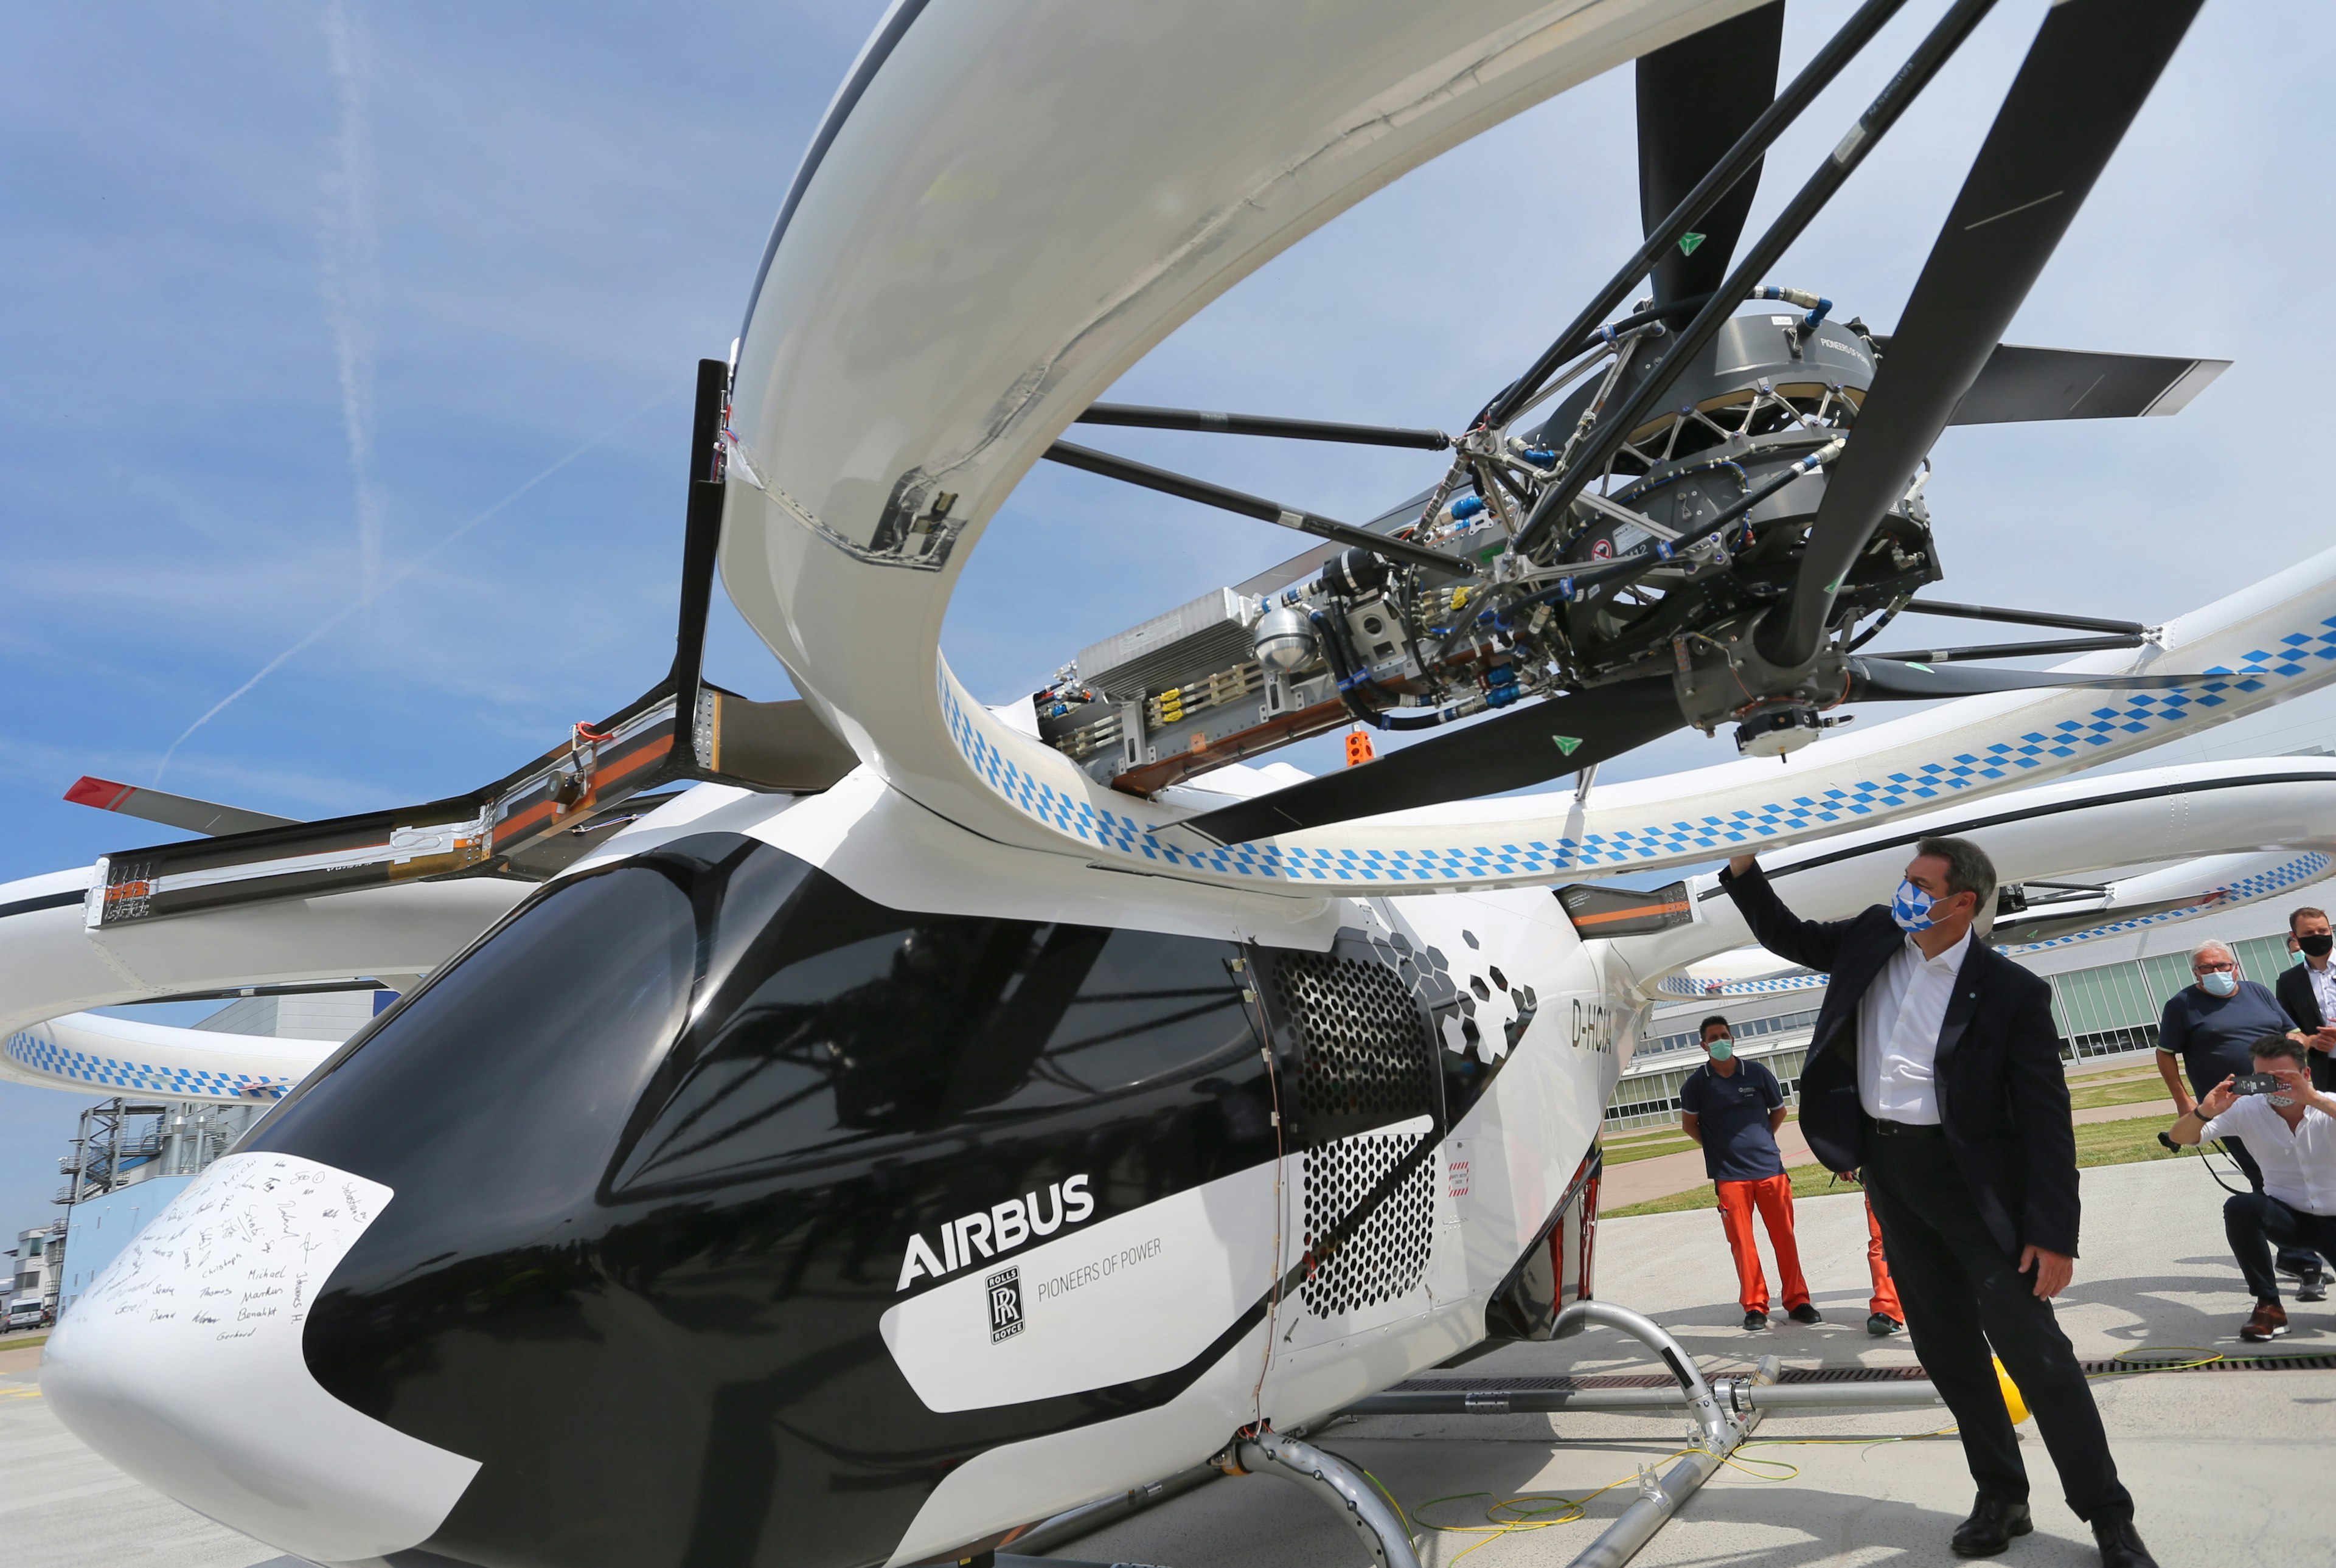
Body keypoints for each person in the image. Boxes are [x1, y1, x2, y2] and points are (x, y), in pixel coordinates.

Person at [1724, 837, 2155, 1568]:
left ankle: (2109, 1515)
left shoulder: (2012, 991)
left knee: (2037, 1354)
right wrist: (1741, 870)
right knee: (1949, 1353)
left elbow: (2047, 1122)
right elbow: (1787, 934)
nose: (1906, 892)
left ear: (1963, 901)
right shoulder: (1873, 937)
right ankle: (2002, 1496)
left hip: (1975, 1191)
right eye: (1906, 879)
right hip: (1891, 1175)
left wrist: (2054, 1234)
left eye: (1921, 884)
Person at [2156, 939, 2326, 1298]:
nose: (2218, 972)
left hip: (2280, 1093)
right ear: (2196, 973)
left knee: (2298, 1166)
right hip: (2232, 1104)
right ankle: (2300, 1259)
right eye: (2208, 968)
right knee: (2263, 1173)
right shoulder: (2182, 1005)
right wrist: (2184, 1101)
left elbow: (2290, 1030)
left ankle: (2296, 1248)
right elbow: (2166, 1053)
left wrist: (2298, 1042)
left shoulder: (2258, 992)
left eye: (2223, 965)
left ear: (2236, 966)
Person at [2167, 1035, 2336, 1342]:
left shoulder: (2329, 1103)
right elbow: (2180, 1137)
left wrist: (2312, 1100)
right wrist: (2205, 1112)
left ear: (2306, 1075)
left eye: (2283, 1079)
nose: (2272, 1087)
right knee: (2242, 1208)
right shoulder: (2247, 1108)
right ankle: (2269, 1306)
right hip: (2289, 1217)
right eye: (2262, 1079)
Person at [1678, 1015, 1821, 1331]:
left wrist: (1762, 1140)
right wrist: (1719, 1148)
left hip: (1770, 1169)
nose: (1720, 1042)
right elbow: (1690, 1125)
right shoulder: (1697, 1084)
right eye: (1713, 1038)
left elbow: (1779, 1111)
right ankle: (1755, 1306)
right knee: (1743, 1243)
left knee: (1784, 1238)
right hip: (1730, 1177)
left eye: (1724, 1035)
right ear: (1704, 1045)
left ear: (1733, 1038)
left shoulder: (1757, 1073)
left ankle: (1798, 1300)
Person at [2273, 906, 2336, 1094]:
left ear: (2330, 930)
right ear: (2295, 936)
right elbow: (2288, 1028)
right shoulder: (2288, 981)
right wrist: (2311, 1040)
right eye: (2309, 933)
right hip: (2327, 1072)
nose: (2318, 936)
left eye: (2323, 931)